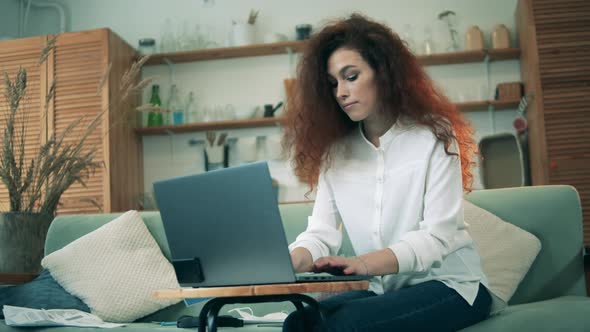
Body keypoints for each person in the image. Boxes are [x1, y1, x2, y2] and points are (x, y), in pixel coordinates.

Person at [281, 14, 492, 332]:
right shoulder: (335, 151)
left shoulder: (434, 136)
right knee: (299, 322)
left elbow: (436, 236)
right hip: (386, 292)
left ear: (384, 72)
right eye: (333, 83)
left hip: (452, 287)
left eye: (351, 76)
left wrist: (363, 264)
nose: (340, 92)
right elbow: (321, 233)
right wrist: (290, 260)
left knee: (349, 323)